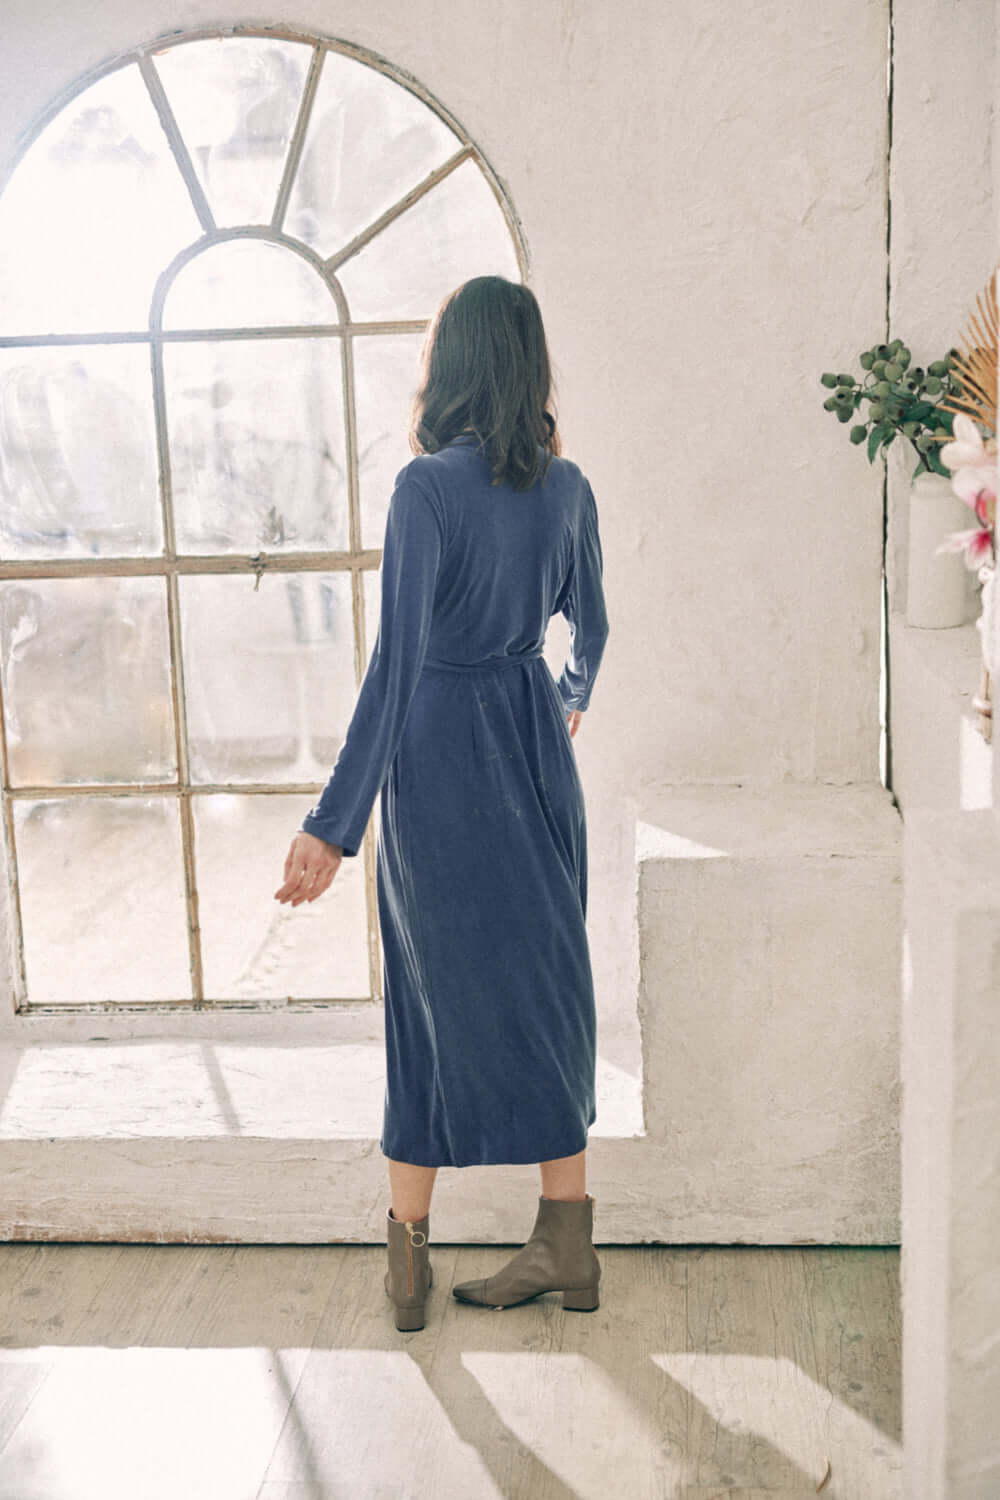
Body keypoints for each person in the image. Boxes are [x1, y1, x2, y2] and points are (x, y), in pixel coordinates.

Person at [274, 275, 610, 1331]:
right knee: (550, 990)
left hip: (439, 761)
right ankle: (568, 1244)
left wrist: (333, 823)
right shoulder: (568, 490)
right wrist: (553, 708)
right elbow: (590, 637)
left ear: (450, 365)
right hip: (529, 751)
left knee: (424, 1005)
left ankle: (408, 1265)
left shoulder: (424, 491)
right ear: (529, 365)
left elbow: (396, 664)